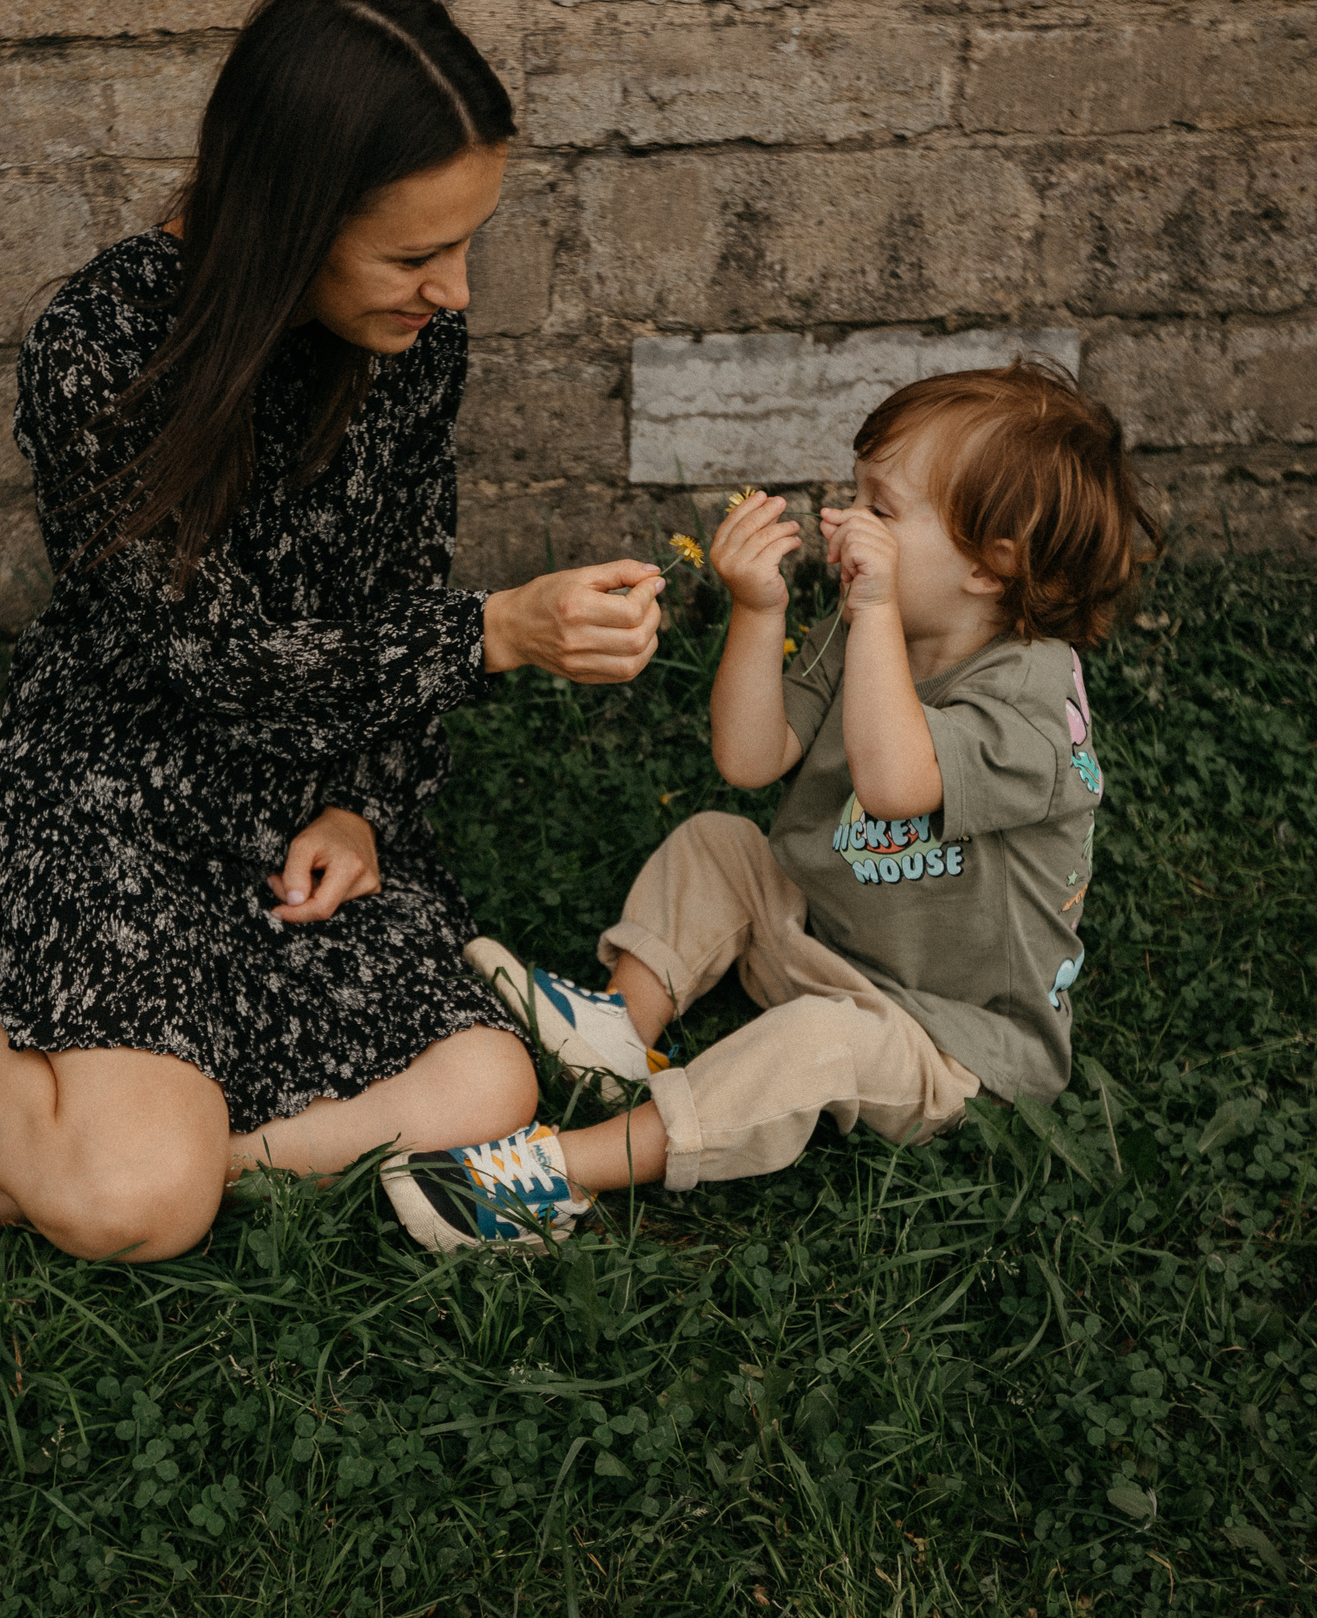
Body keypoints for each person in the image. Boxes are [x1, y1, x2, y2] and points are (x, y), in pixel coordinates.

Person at [0, 0, 673, 1334]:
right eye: (414, 255)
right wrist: (497, 634)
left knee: (488, 1087)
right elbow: (211, 659)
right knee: (133, 1201)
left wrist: (363, 803)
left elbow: (396, 581)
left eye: (469, 244)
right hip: (119, 785)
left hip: (287, 815)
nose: (454, 291)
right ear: (292, 221)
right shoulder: (101, 348)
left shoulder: (408, 348)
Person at [386, 359, 1159, 1248]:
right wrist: (760, 608)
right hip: (820, 938)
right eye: (855, 494)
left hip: (948, 1042)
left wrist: (869, 614)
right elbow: (751, 759)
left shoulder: (1033, 706)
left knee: (812, 1042)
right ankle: (618, 1029)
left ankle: (560, 1172)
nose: (845, 521)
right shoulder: (878, 625)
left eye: (882, 508)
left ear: (994, 564)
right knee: (720, 839)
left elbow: (895, 779)